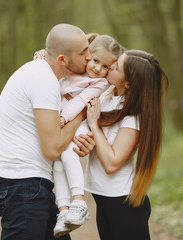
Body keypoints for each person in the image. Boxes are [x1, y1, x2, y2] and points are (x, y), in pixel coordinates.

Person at [0, 23, 94, 240]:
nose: (89, 57)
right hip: (22, 188)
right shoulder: (43, 79)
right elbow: (52, 148)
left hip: (32, 186)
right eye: (83, 52)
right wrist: (82, 115)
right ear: (62, 60)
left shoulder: (45, 74)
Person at [75, 49, 169, 240]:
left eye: (116, 67)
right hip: (104, 199)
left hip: (123, 203)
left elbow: (111, 163)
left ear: (127, 83)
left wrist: (94, 124)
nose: (110, 66)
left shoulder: (133, 117)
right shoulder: (108, 95)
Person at [51, 34, 126, 238]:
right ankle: (64, 210)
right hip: (65, 120)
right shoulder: (73, 70)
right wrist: (43, 55)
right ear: (88, 56)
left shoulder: (100, 84)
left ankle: (79, 200)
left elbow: (81, 101)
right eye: (95, 61)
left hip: (80, 122)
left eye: (105, 67)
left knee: (68, 152)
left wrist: (63, 117)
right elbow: (61, 56)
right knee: (58, 162)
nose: (98, 70)